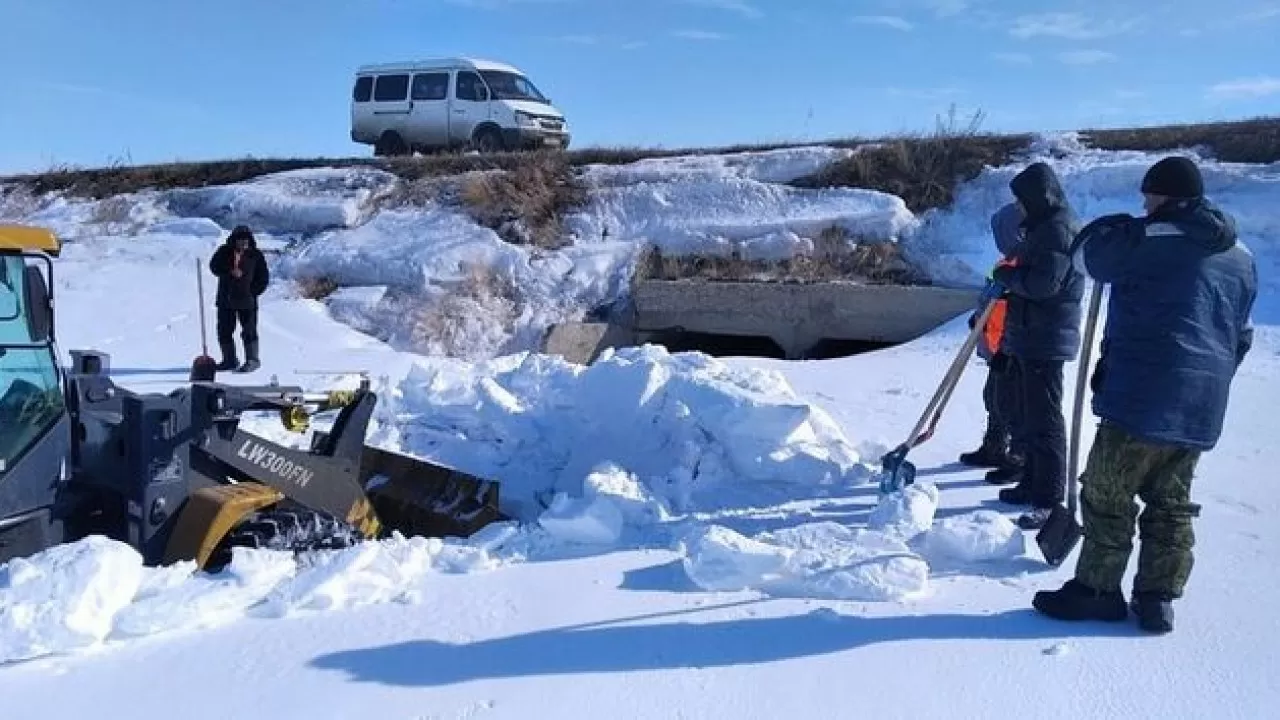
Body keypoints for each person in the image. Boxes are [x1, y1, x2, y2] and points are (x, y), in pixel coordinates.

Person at [1032, 156, 1256, 634]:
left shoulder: (1153, 238)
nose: (1144, 204)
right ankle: (1157, 598)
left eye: (1148, 196)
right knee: (1170, 500)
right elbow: (1242, 335)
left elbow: (1089, 259)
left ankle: (1097, 591)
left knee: (1107, 490)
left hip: (1144, 393)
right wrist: (1207, 382)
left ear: (1166, 197)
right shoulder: (1241, 255)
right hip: (1202, 402)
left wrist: (1107, 228)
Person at [989, 162, 1085, 531]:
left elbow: (1045, 285)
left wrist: (1008, 276)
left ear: (1038, 198)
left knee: (1044, 421)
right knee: (1028, 416)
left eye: (1022, 201)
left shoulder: (1058, 232)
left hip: (1046, 338)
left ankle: (1048, 497)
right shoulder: (1042, 229)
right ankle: (1031, 481)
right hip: (1030, 334)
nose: (1019, 208)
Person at [959, 201, 1025, 486]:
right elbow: (989, 299)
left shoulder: (1023, 267)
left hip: (1010, 351)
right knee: (993, 399)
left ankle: (1018, 457)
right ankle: (994, 446)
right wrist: (978, 320)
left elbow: (1018, 314)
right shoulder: (1002, 264)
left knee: (1011, 405)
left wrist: (1007, 347)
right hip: (994, 347)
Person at [209, 225, 269, 373]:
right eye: (240, 239)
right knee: (224, 330)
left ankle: (252, 360)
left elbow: (263, 277)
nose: (243, 242)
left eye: (246, 239)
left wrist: (253, 291)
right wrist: (229, 270)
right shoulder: (224, 252)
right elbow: (214, 267)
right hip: (226, 300)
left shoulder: (255, 255)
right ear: (234, 240)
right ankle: (229, 360)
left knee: (249, 331)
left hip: (247, 301)